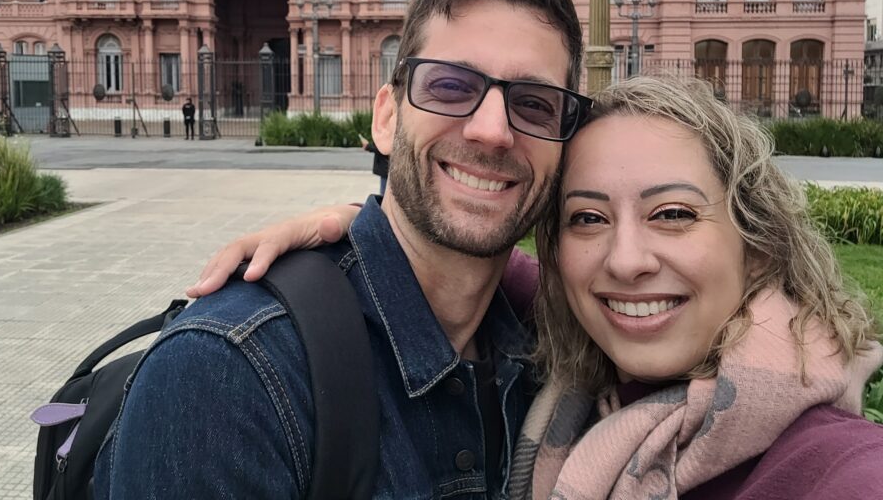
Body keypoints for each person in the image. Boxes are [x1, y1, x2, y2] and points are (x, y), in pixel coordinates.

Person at [197, 76, 883, 499]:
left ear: (757, 246)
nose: (625, 262)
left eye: (672, 214)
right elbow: (478, 268)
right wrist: (364, 224)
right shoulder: (575, 350)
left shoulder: (832, 464)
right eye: (587, 218)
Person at [94, 0, 590, 499]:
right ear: (386, 118)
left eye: (536, 104)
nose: (492, 130)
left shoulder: (559, 349)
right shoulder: (230, 374)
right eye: (451, 86)